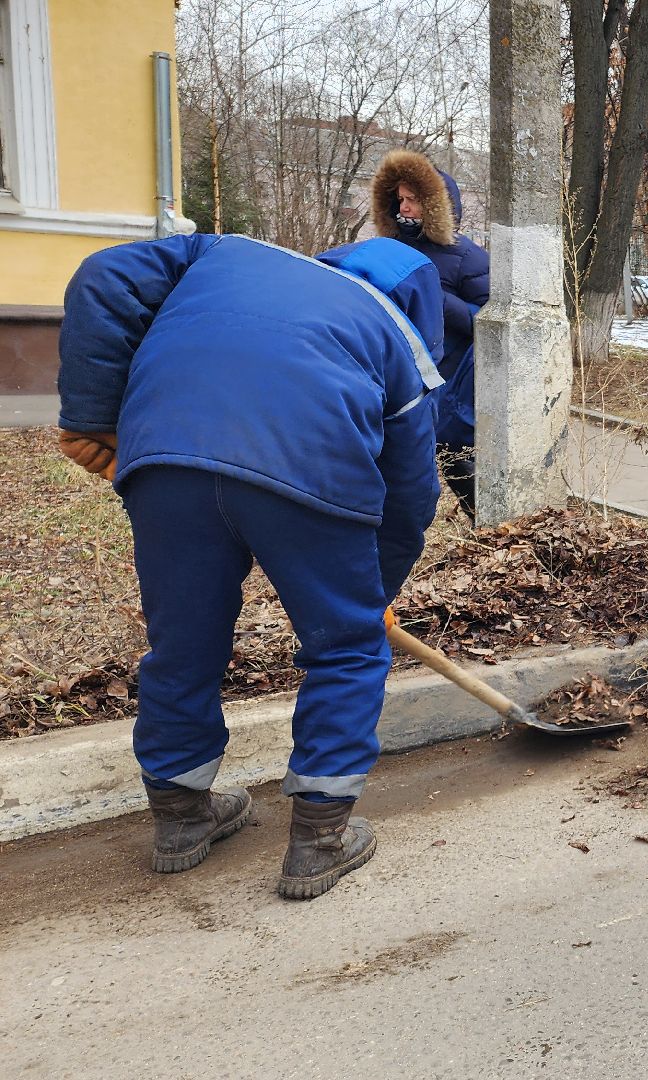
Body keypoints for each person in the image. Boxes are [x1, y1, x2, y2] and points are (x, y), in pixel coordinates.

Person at [57, 233, 445, 900]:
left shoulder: (224, 252)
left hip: (165, 455)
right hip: (311, 462)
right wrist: (372, 596)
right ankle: (318, 842)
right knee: (346, 651)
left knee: (181, 642)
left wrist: (93, 416)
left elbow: (101, 275)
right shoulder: (394, 332)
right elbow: (412, 494)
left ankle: (181, 821)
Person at [371, 149, 490, 516]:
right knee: (395, 463)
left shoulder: (468, 257)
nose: (404, 208)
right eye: (400, 199)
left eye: (413, 200)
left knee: (457, 461)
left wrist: (438, 300)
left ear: (437, 205)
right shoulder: (386, 251)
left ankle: (490, 527)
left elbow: (486, 323)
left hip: (449, 381)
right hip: (394, 375)